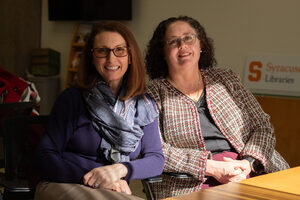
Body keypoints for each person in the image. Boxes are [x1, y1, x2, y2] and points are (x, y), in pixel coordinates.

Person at [145, 16, 289, 199]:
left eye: (188, 38)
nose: (183, 45)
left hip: (252, 170)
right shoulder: (151, 94)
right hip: (194, 182)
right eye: (173, 41)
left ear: (200, 44)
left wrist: (248, 163)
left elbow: (262, 126)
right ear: (162, 52)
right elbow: (155, 150)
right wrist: (211, 167)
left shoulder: (226, 79)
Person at [35, 21, 164, 200]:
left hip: (112, 189)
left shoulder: (144, 105)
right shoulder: (72, 99)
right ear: (92, 57)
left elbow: (156, 159)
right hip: (65, 183)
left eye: (119, 50)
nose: (111, 59)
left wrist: (120, 169)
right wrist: (96, 178)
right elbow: (44, 157)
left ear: (130, 56)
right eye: (102, 51)